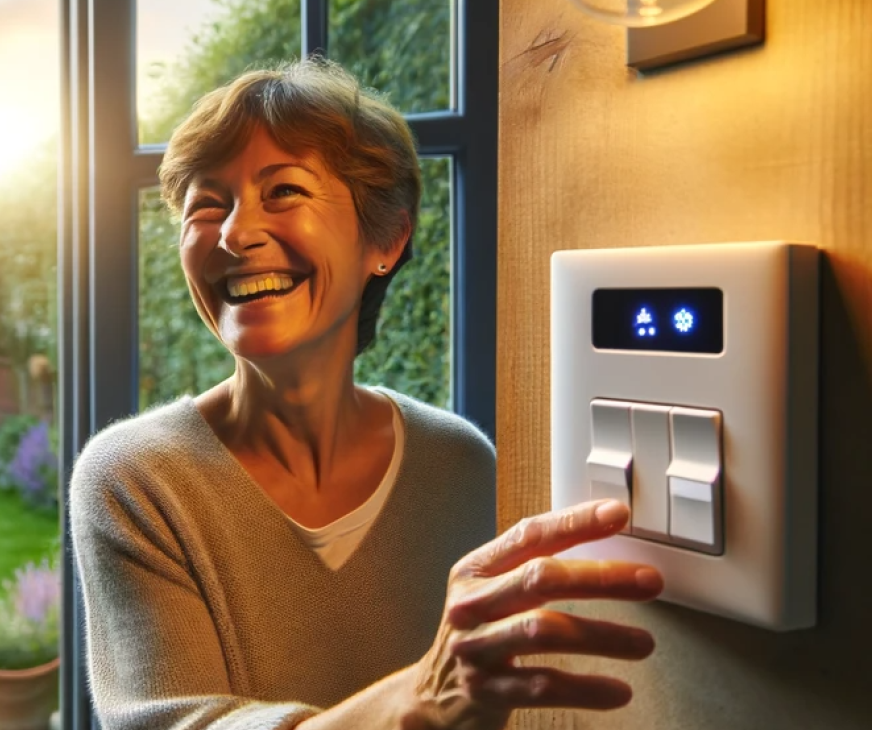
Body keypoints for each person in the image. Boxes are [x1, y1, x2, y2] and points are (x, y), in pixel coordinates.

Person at [68, 57, 663, 730]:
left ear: (386, 237)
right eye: (209, 205)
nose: (235, 233)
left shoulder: (462, 465)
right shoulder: (134, 481)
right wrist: (423, 700)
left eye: (283, 191)